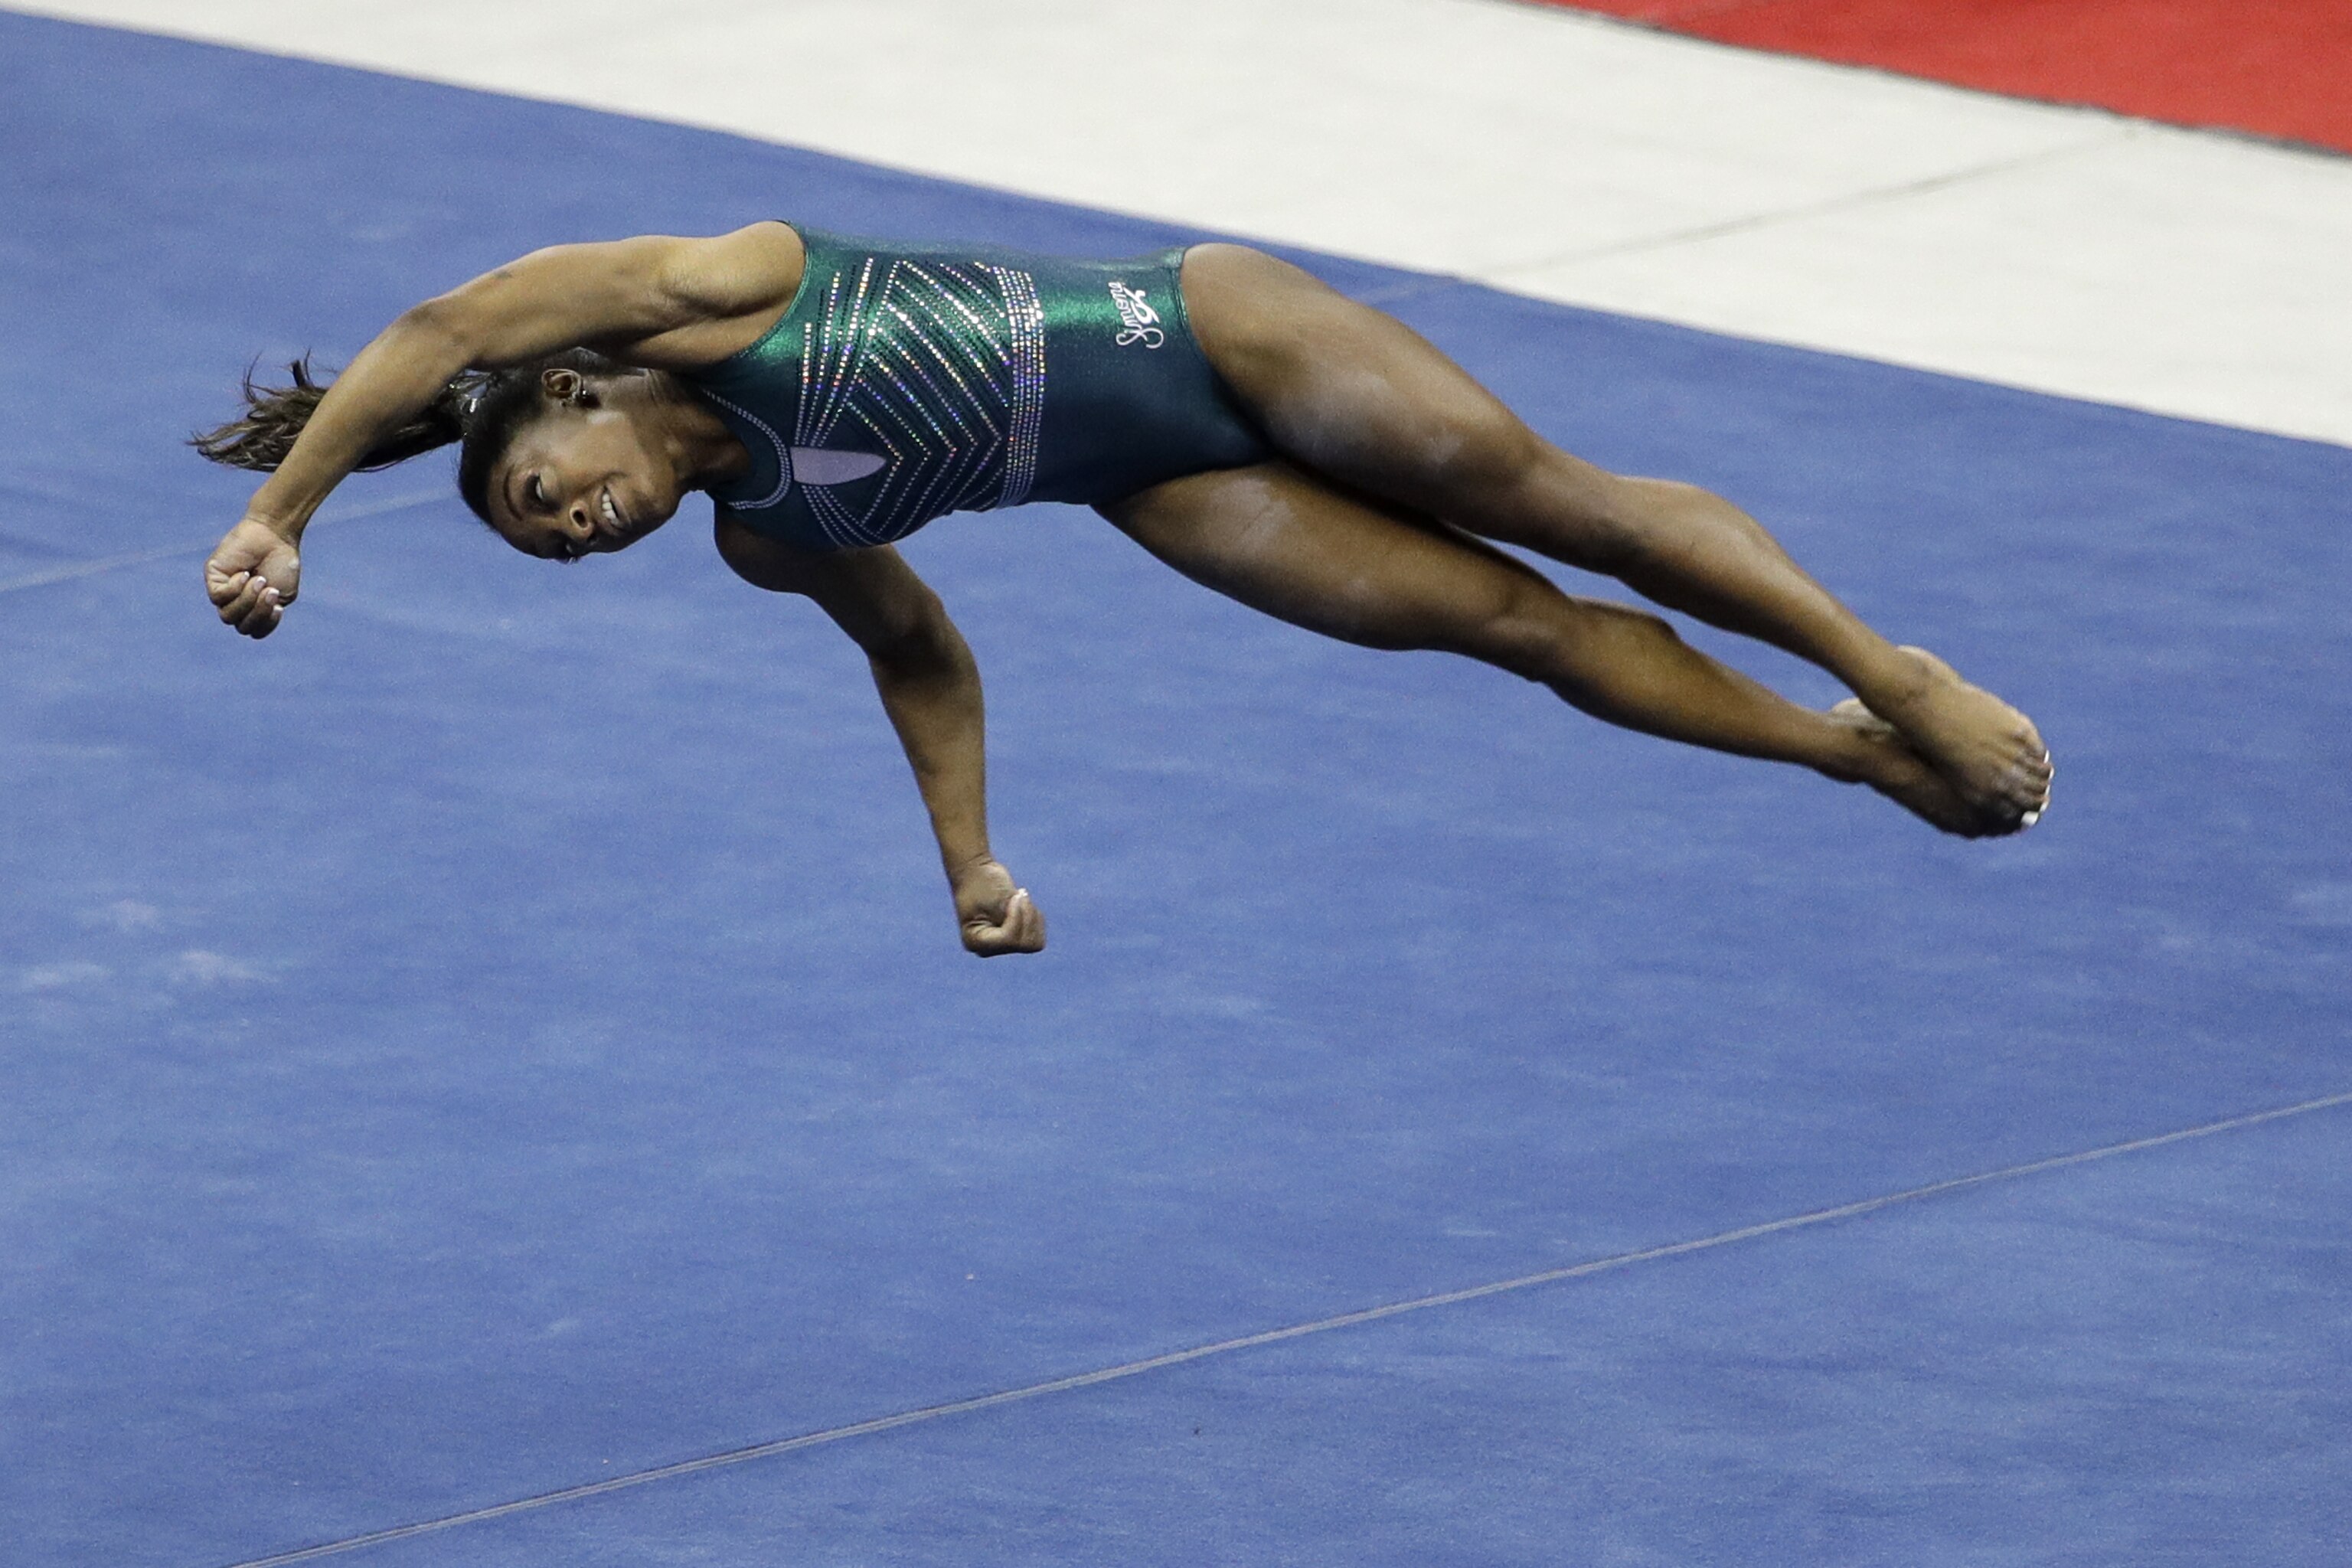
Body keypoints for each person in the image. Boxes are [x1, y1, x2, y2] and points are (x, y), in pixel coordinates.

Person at [197, 222, 2052, 956]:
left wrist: (293, 514)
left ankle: (1896, 669)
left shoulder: (718, 288)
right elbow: (919, 654)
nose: (569, 527)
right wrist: (971, 864)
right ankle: (1853, 753)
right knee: (1517, 630)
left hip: (1214, 329)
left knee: (1568, 511)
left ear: (574, 391)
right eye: (546, 551)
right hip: (1159, 474)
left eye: (541, 490)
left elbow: (442, 325)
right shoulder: (776, 534)